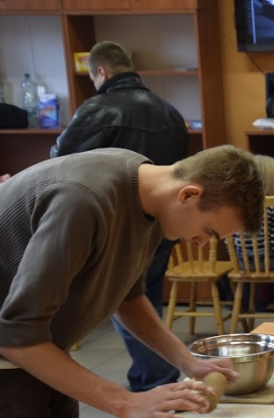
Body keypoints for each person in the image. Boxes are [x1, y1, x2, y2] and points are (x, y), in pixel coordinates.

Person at [0, 145, 264, 418]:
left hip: (44, 353)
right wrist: (124, 401)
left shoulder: (148, 202)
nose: (201, 243)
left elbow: (126, 297)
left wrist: (188, 361)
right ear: (189, 194)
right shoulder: (82, 201)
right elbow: (14, 337)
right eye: (209, 231)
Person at [51, 40, 190, 392]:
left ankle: (155, 378)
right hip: (161, 223)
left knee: (120, 301)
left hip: (111, 226)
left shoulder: (96, 109)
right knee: (145, 301)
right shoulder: (169, 111)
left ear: (101, 71)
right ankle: (158, 377)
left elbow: (58, 163)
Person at [233, 155, 274, 312]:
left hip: (242, 263)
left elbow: (232, 241)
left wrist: (240, 258)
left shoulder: (238, 206)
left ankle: (262, 300)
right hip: (273, 262)